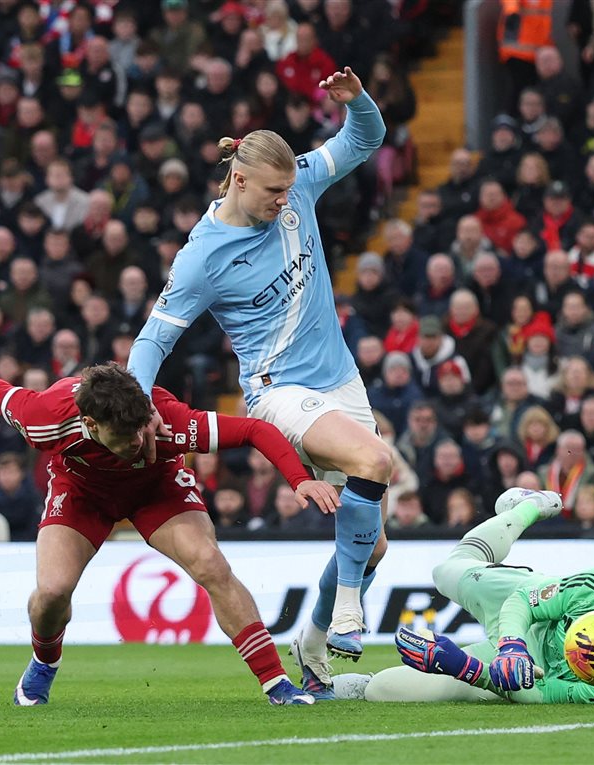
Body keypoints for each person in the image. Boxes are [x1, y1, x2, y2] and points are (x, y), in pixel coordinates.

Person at [127, 66, 391, 697]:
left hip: (340, 385)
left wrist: (357, 103)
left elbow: (363, 142)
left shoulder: (294, 185)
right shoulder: (201, 257)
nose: (284, 201)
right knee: (376, 459)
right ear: (238, 180)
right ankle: (351, 612)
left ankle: (316, 640)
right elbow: (153, 340)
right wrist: (137, 407)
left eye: (288, 189)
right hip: (278, 393)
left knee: (372, 546)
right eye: (273, 191)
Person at [0, 362, 339, 706]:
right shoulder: (45, 417)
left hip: (156, 489)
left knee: (211, 565)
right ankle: (44, 661)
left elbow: (254, 430)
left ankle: (275, 682)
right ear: (90, 423)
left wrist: (298, 479)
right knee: (53, 591)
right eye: (124, 436)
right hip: (81, 493)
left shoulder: (165, 422)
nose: (137, 441)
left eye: (140, 429)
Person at [332, 488, 594, 704]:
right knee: (446, 571)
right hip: (523, 611)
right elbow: (523, 604)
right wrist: (512, 645)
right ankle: (527, 508)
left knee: (382, 689)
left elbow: (540, 697)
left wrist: (468, 669)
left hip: (529, 669)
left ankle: (360, 683)